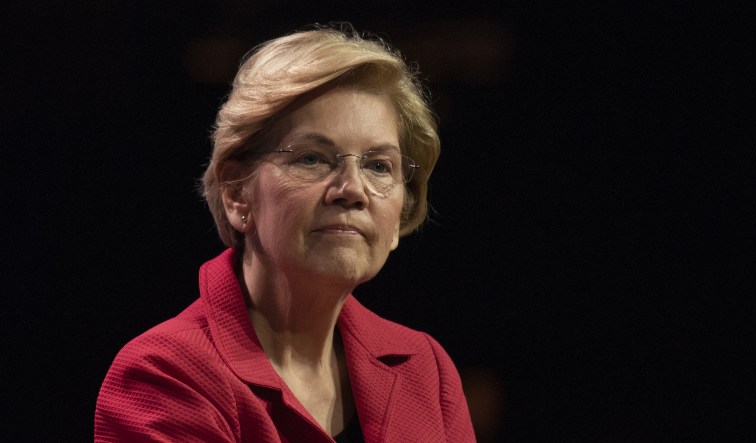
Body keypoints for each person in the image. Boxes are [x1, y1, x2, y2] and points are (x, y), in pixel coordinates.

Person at [95, 24, 475, 442]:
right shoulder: (166, 375)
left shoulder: (426, 370)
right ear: (238, 194)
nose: (352, 190)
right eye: (313, 159)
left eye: (378, 165)